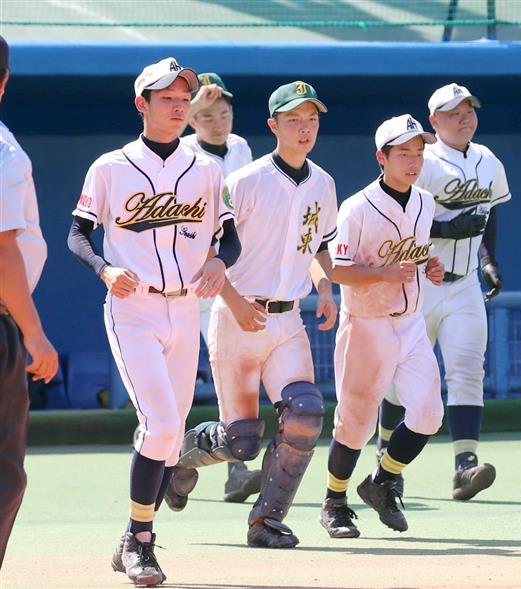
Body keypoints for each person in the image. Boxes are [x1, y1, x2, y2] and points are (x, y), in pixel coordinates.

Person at [67, 57, 241, 586]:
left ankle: (130, 533)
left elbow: (229, 237)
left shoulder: (208, 171)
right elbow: (77, 234)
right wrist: (103, 266)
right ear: (142, 103)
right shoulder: (110, 166)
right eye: (166, 96)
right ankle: (143, 542)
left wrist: (218, 261)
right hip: (134, 307)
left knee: (166, 434)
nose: (177, 103)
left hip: (185, 305)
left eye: (183, 95)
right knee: (164, 425)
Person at [167, 80, 338, 549]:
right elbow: (209, 251)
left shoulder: (323, 182)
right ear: (273, 125)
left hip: (287, 322)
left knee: (305, 413)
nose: (305, 129)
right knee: (240, 439)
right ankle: (178, 460)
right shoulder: (243, 181)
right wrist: (238, 304)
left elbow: (319, 245)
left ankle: (266, 521)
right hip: (236, 316)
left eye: (312, 119)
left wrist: (325, 288)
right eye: (294, 120)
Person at [377, 83, 511, 501]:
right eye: (453, 112)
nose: (464, 117)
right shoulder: (422, 160)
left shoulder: (489, 160)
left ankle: (465, 465)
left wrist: (488, 260)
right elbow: (393, 214)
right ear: (433, 120)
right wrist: (444, 229)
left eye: (469, 109)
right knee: (402, 383)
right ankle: (386, 458)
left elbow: (488, 216)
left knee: (468, 369)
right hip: (419, 283)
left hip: (465, 283)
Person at [319, 114, 445, 539]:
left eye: (419, 152)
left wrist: (430, 265)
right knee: (354, 422)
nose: (413, 161)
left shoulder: (425, 202)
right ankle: (334, 502)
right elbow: (337, 271)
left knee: (428, 414)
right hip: (367, 325)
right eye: (403, 153)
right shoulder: (357, 207)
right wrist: (384, 273)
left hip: (410, 324)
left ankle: (382, 480)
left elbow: (415, 253)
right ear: (382, 157)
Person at [171, 71, 260, 507]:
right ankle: (169, 460)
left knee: (233, 371)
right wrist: (189, 107)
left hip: (230, 272)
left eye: (223, 111)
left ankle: (236, 469)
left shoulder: (241, 147)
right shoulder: (181, 151)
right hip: (188, 278)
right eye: (205, 114)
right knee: (178, 383)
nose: (217, 121)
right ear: (189, 119)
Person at [0, 34, 59, 569]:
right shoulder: (1, 148)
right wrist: (34, 332)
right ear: (4, 82)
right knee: (3, 472)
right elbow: (2, 248)